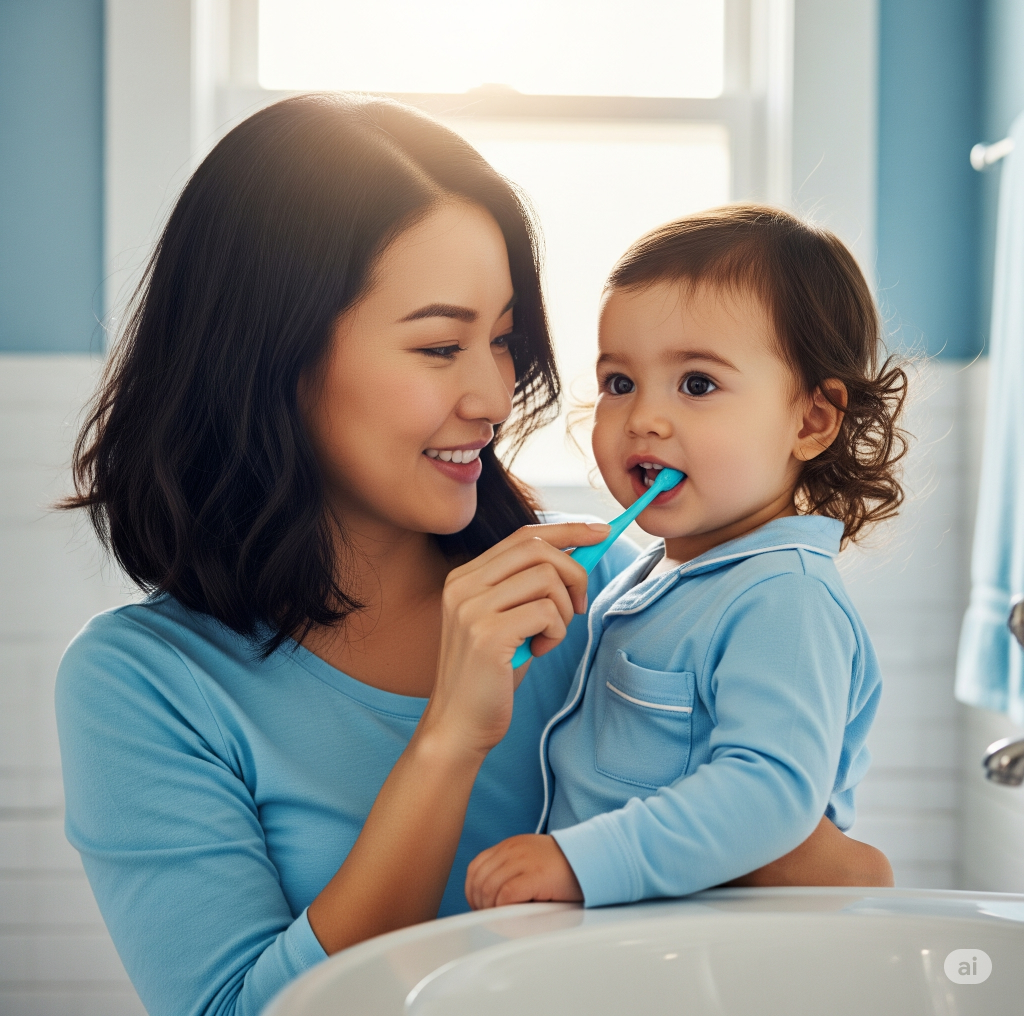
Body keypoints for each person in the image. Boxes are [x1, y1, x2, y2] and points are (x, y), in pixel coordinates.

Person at [55, 98, 891, 1016]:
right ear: (268, 357)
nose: (496, 397)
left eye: (500, 341)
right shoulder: (144, 683)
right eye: (441, 345)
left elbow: (839, 873)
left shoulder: (604, 591)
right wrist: (449, 739)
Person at [466, 205, 906, 910]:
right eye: (619, 383)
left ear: (811, 420)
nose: (644, 418)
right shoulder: (659, 575)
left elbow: (769, 793)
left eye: (697, 384)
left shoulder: (784, 597)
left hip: (711, 951)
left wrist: (581, 863)